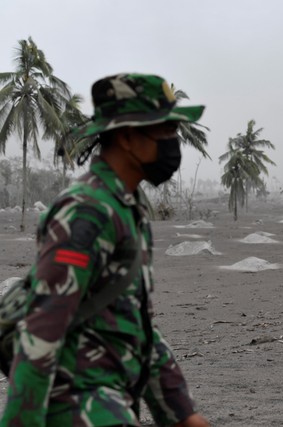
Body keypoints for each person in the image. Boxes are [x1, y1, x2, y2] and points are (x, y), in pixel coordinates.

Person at [0, 73, 210, 427]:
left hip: (110, 397)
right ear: (128, 137)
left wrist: (181, 413)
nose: (175, 143)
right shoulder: (87, 212)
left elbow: (134, 323)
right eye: (166, 131)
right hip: (80, 404)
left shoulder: (126, 206)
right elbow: (41, 329)